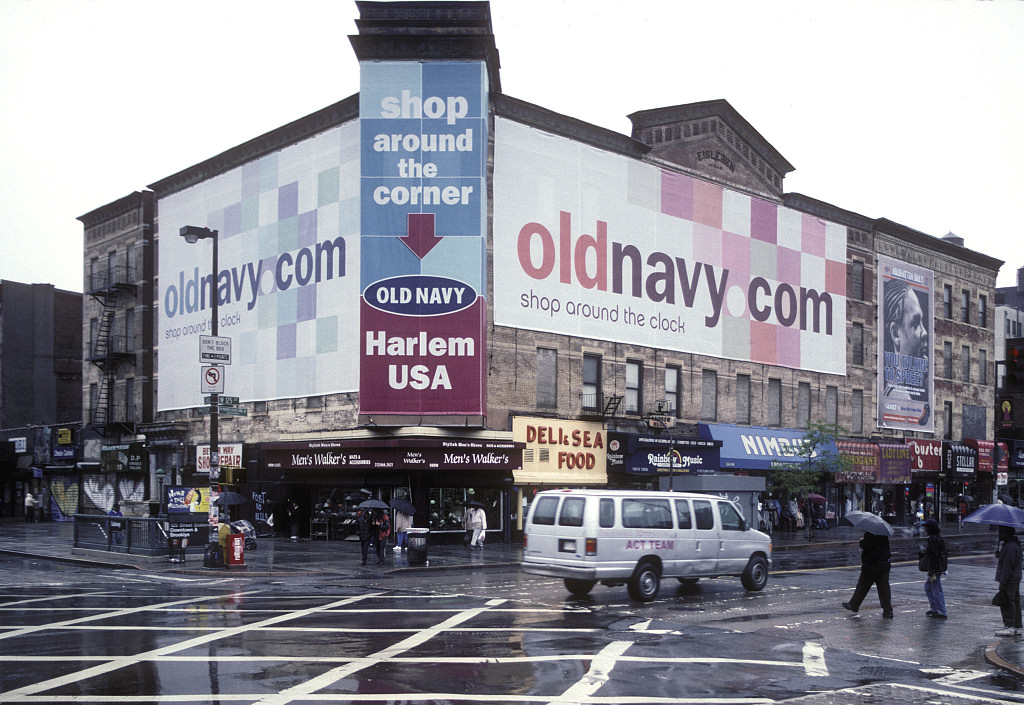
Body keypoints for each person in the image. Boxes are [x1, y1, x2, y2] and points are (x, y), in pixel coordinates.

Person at [842, 531, 894, 618]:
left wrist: (862, 541)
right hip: (885, 563)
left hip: (872, 564)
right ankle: (888, 611)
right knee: (884, 588)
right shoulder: (883, 533)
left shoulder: (870, 534)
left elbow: (867, 546)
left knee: (863, 585)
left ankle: (854, 605)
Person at [995, 525, 1022, 637]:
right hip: (1015, 577)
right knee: (1014, 601)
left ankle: (1009, 626)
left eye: (1001, 532)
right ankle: (1017, 626)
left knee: (1007, 602)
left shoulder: (1010, 547)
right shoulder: (1012, 545)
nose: (999, 535)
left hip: (1009, 579)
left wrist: (1002, 583)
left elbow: (1007, 567)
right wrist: (1000, 555)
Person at [922, 518, 947, 619]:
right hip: (938, 567)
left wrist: (931, 569)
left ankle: (941, 610)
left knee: (936, 589)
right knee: (929, 587)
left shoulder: (932, 539)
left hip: (935, 568)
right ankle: (935, 608)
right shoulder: (937, 537)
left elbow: (933, 555)